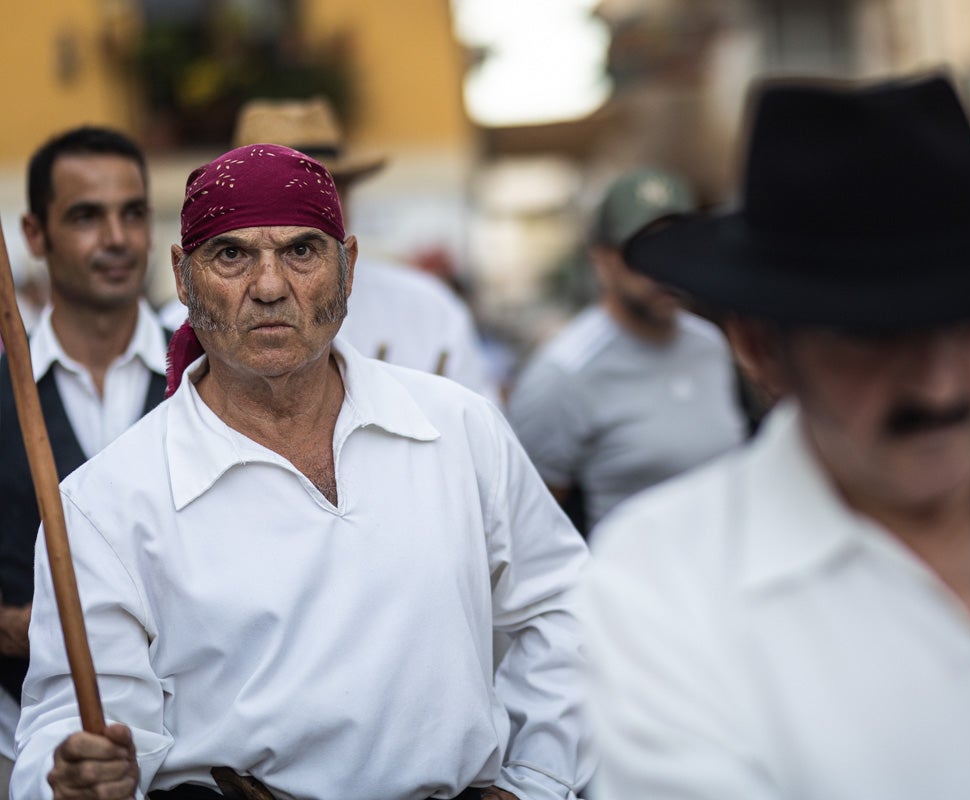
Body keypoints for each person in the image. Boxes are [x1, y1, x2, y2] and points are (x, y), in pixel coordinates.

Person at [580, 74, 970, 799]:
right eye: (871, 337)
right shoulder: (662, 584)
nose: (937, 386)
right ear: (761, 348)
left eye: (965, 322)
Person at [12, 144, 590, 800]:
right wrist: (76, 778)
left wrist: (539, 778)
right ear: (181, 275)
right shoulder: (105, 504)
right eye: (231, 255)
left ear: (348, 266)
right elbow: (70, 730)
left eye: (301, 251)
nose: (268, 286)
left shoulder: (457, 427)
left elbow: (563, 608)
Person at [0, 126, 168, 787]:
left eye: (132, 213)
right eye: (86, 216)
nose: (118, 239)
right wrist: (24, 626)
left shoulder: (211, 385)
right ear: (35, 235)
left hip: (200, 744)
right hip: (17, 737)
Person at [159, 95, 500, 404]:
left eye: (326, 188)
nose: (270, 285)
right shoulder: (183, 328)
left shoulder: (429, 308)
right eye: (233, 254)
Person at [507, 168, 747, 534]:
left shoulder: (710, 345)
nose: (665, 267)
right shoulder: (563, 375)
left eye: (678, 247)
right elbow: (531, 532)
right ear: (601, 259)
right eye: (642, 251)